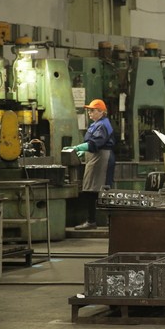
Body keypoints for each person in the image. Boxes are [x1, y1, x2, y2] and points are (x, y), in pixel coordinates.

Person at [66, 99, 115, 230]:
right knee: (91, 190)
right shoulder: (97, 124)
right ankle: (93, 221)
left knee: (101, 191)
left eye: (92, 110)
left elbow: (95, 143)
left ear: (101, 112)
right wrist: (83, 151)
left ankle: (103, 221)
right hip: (95, 158)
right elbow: (92, 144)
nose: (89, 113)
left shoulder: (102, 125)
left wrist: (77, 148)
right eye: (89, 111)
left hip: (101, 159)